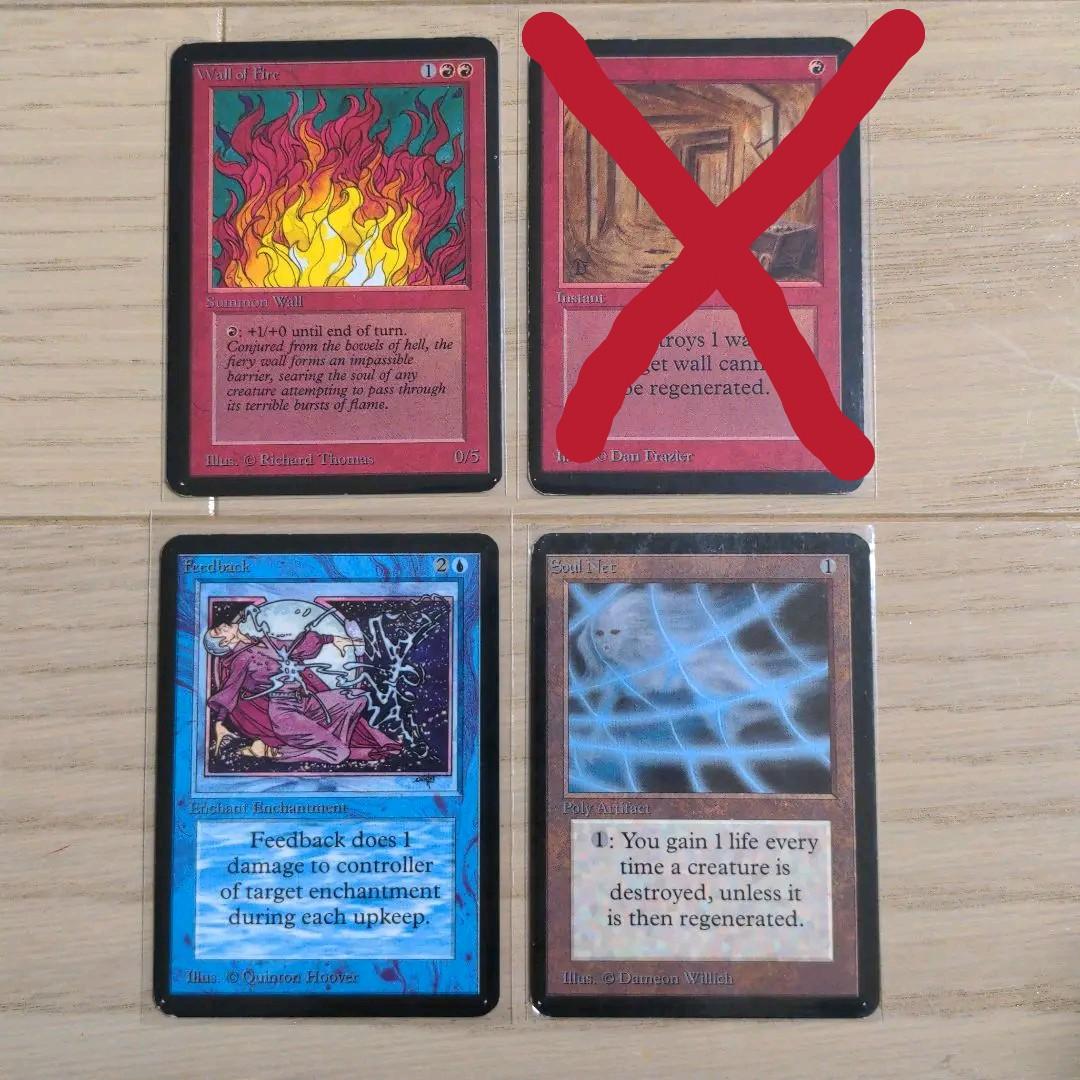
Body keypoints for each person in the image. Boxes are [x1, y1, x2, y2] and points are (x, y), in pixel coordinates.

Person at [203, 618, 401, 766]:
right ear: (224, 643)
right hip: (285, 713)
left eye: (219, 628)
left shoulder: (265, 641)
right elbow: (229, 691)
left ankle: (333, 744)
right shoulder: (240, 659)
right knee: (338, 753)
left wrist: (331, 639)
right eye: (218, 632)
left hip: (306, 702)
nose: (222, 626)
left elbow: (296, 647)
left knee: (357, 698)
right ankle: (275, 753)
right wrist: (219, 724)